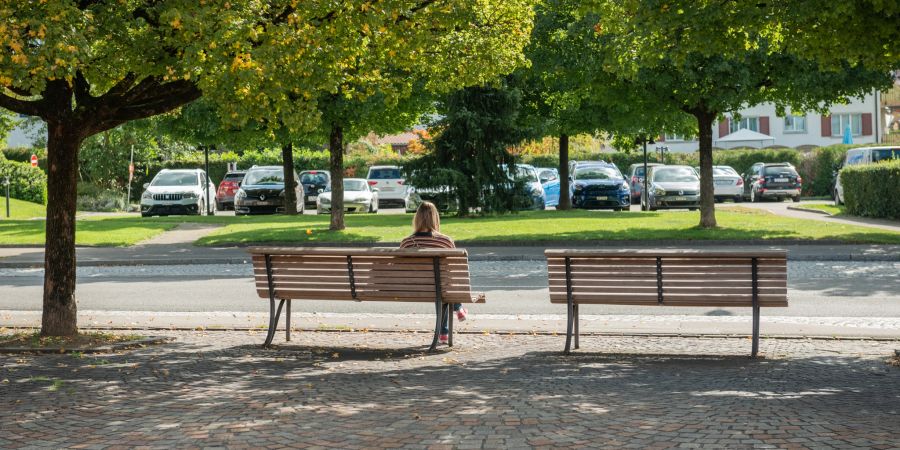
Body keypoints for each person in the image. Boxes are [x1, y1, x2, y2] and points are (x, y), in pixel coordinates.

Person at [400, 201, 468, 344]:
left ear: (417, 218)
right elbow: (454, 270)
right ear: (435, 218)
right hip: (439, 288)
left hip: (413, 288)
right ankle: (456, 309)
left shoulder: (406, 243)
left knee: (439, 285)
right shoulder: (445, 241)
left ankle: (444, 331)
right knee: (442, 285)